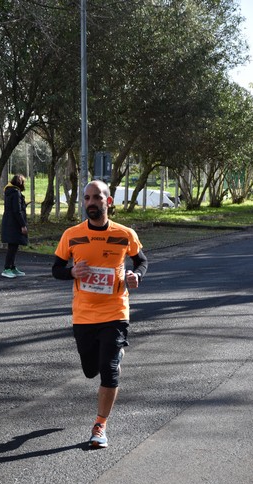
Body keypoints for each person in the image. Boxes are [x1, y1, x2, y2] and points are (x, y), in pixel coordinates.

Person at [52, 179, 148, 449]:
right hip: (83, 315)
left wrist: (135, 275)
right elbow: (56, 268)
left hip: (115, 310)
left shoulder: (124, 234)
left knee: (109, 370)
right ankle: (113, 354)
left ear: (109, 201)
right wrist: (71, 272)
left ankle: (100, 425)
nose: (91, 203)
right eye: (87, 198)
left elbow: (141, 260)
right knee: (90, 370)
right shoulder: (71, 234)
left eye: (97, 197)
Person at [0, 174, 28, 278]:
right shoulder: (16, 193)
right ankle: (7, 268)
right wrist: (23, 225)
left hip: (9, 221)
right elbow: (17, 210)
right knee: (12, 247)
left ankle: (11, 267)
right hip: (14, 223)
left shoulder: (8, 191)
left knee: (13, 246)